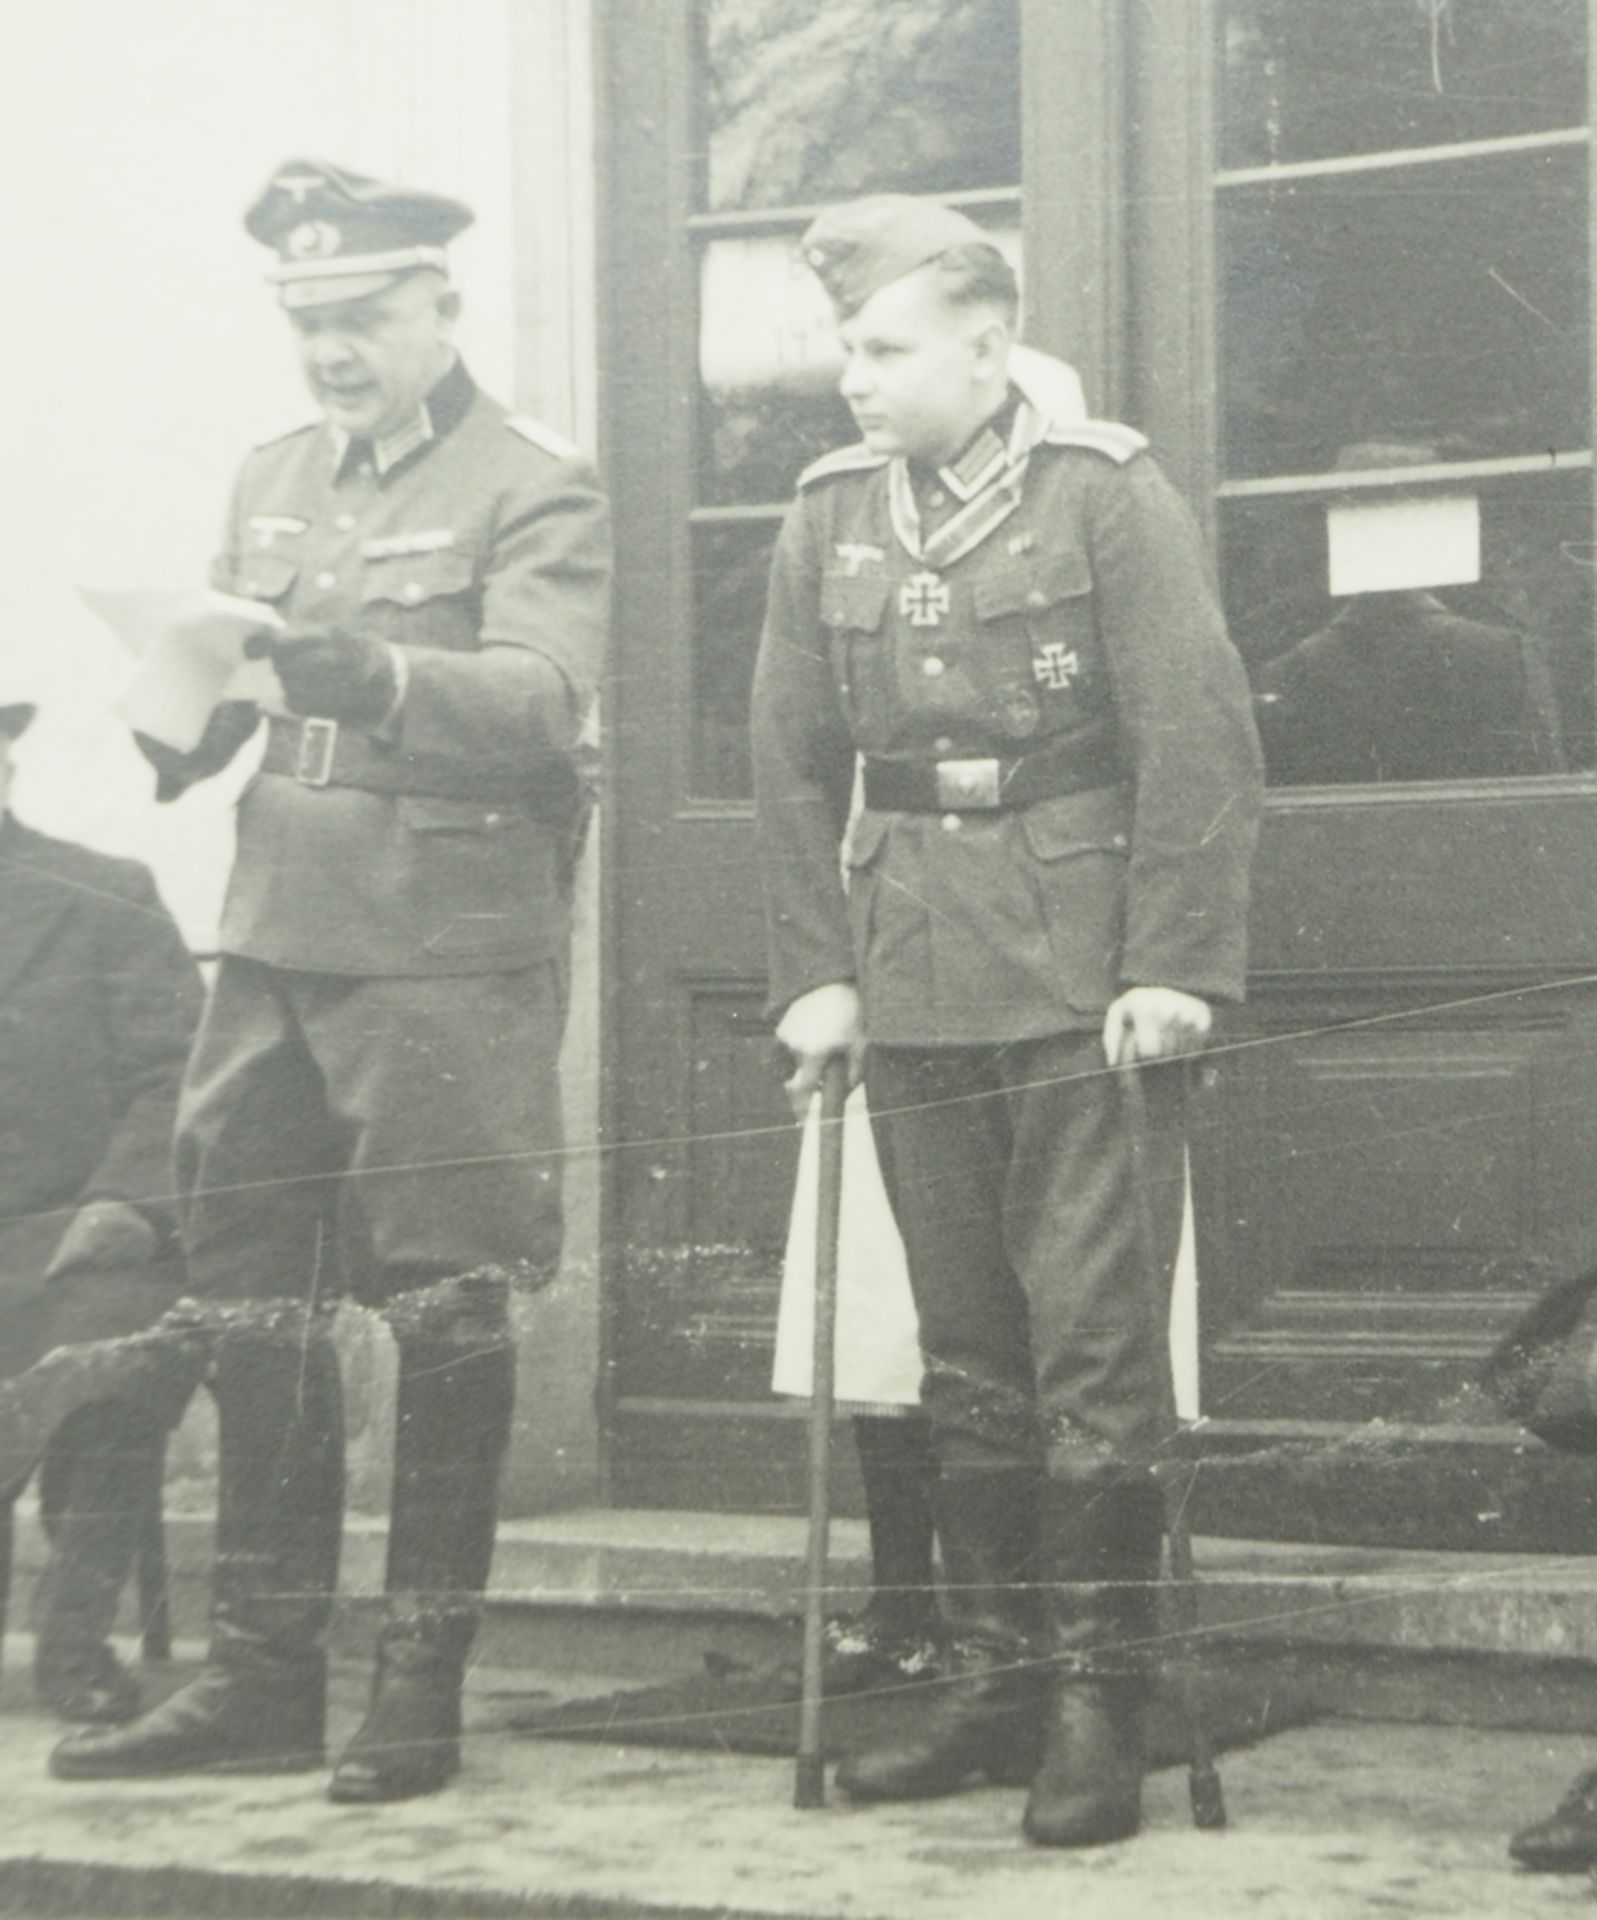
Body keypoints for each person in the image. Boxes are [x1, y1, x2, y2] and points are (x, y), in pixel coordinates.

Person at [51, 159, 610, 1802]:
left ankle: (417, 1689)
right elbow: (244, 683)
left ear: (442, 305)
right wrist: (185, 709)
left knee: (442, 1308)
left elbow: (539, 703)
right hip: (277, 937)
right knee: (250, 1297)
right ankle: (264, 1676)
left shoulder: (532, 483)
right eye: (308, 322)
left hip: (441, 945)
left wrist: (375, 676)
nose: (333, 350)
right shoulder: (274, 475)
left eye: (362, 315)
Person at [751, 195, 1263, 1848]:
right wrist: (815, 970)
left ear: (985, 344)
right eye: (844, 345)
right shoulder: (828, 513)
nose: (853, 377)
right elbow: (780, 760)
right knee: (965, 1359)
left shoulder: (1099, 492)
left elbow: (1196, 734)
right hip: (907, 975)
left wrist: (1171, 961)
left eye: (885, 346)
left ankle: (1096, 1703)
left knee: (1092, 1360)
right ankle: (990, 1682)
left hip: (1078, 978)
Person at [0, 689, 201, 1721]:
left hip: (72, 1234)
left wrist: (124, 1197)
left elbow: (180, 1075)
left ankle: (72, 1639)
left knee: (110, 1352)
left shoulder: (101, 895)